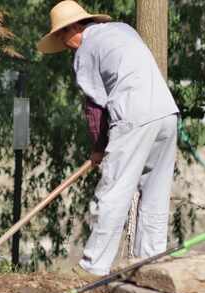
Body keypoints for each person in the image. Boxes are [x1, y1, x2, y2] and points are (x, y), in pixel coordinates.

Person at [37, 0, 179, 278]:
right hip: (166, 113)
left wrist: (99, 148)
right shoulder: (123, 30)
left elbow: (95, 106)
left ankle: (93, 266)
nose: (65, 45)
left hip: (133, 116)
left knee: (113, 192)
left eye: (62, 36)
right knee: (155, 193)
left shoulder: (86, 51)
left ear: (75, 27)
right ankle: (148, 262)